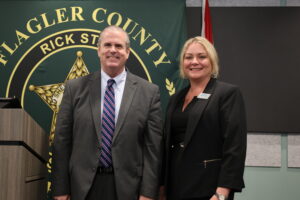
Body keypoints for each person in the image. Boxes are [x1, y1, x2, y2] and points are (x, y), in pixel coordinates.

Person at [52, 25, 163, 200]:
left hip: (129, 189)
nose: (113, 50)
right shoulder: (75, 89)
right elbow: (61, 142)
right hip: (82, 188)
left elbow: (153, 149)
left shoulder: (149, 92)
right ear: (99, 50)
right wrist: (60, 190)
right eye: (107, 45)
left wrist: (148, 194)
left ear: (128, 52)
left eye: (118, 46)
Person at [160, 36, 247, 200]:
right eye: (188, 57)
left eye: (202, 56)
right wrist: (162, 187)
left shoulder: (227, 94)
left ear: (212, 61)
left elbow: (235, 147)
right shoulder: (176, 98)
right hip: (175, 186)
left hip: (208, 189)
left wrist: (222, 193)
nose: (194, 62)